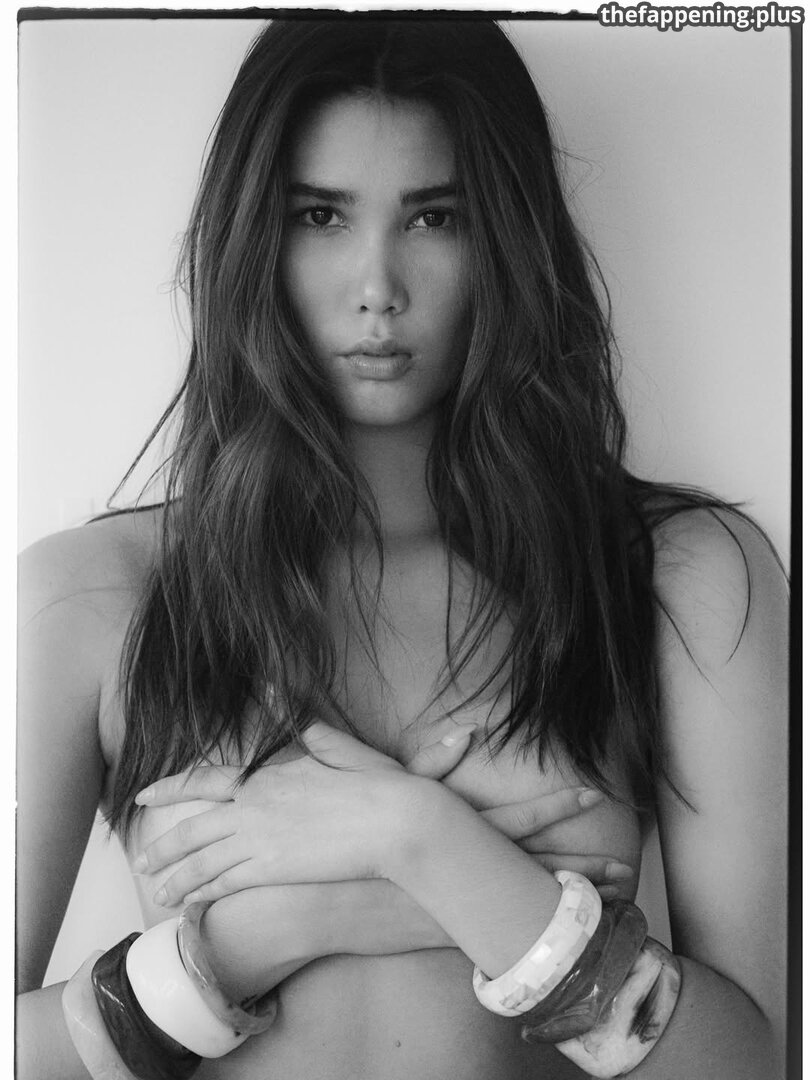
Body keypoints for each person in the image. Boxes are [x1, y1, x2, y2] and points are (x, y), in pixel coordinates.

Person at [17, 17, 788, 1080]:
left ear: (506, 242)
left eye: (435, 216)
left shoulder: (682, 577)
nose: (377, 284)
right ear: (252, 241)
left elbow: (749, 1063)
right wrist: (265, 933)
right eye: (319, 215)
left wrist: (418, 837)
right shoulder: (92, 596)